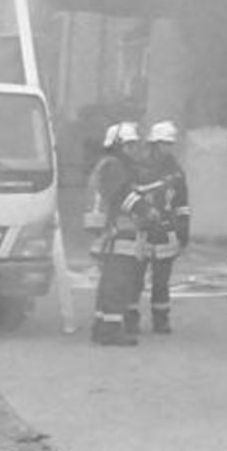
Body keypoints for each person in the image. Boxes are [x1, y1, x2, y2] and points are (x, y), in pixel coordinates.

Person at [85, 120, 149, 346]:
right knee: (117, 284)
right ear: (118, 144)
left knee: (109, 283)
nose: (133, 150)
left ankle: (102, 326)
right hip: (117, 234)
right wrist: (144, 209)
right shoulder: (115, 166)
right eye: (129, 145)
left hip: (110, 234)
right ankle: (111, 330)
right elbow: (121, 195)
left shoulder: (108, 164)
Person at [134, 121, 190, 335]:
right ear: (154, 143)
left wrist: (183, 229)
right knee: (135, 278)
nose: (168, 148)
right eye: (164, 143)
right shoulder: (137, 167)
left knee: (161, 280)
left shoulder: (175, 171)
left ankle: (161, 319)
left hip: (165, 231)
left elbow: (182, 203)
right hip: (141, 229)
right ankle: (131, 319)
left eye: (170, 144)